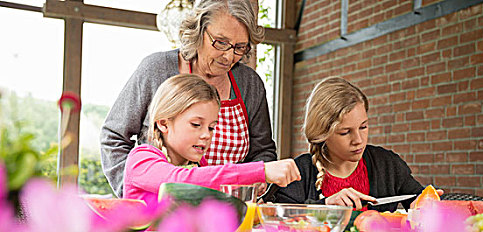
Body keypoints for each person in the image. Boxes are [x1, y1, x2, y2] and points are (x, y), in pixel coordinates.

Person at [101, 0, 276, 197]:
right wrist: (135, 195)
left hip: (226, 213)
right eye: (221, 42)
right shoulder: (156, 69)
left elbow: (263, 152)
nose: (228, 56)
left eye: (239, 47)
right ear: (199, 30)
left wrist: (253, 192)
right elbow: (113, 137)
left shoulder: (249, 84)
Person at [123, 74, 300, 205]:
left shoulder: (201, 167)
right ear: (163, 124)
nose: (206, 135)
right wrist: (261, 170)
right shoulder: (141, 159)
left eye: (211, 127)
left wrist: (247, 210)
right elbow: (179, 182)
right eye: (196, 124)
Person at [266, 77, 425, 212]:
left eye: (363, 127)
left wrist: (427, 204)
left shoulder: (387, 164)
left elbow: (417, 197)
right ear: (322, 133)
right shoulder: (298, 173)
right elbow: (279, 216)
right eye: (345, 132)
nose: (358, 140)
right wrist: (325, 206)